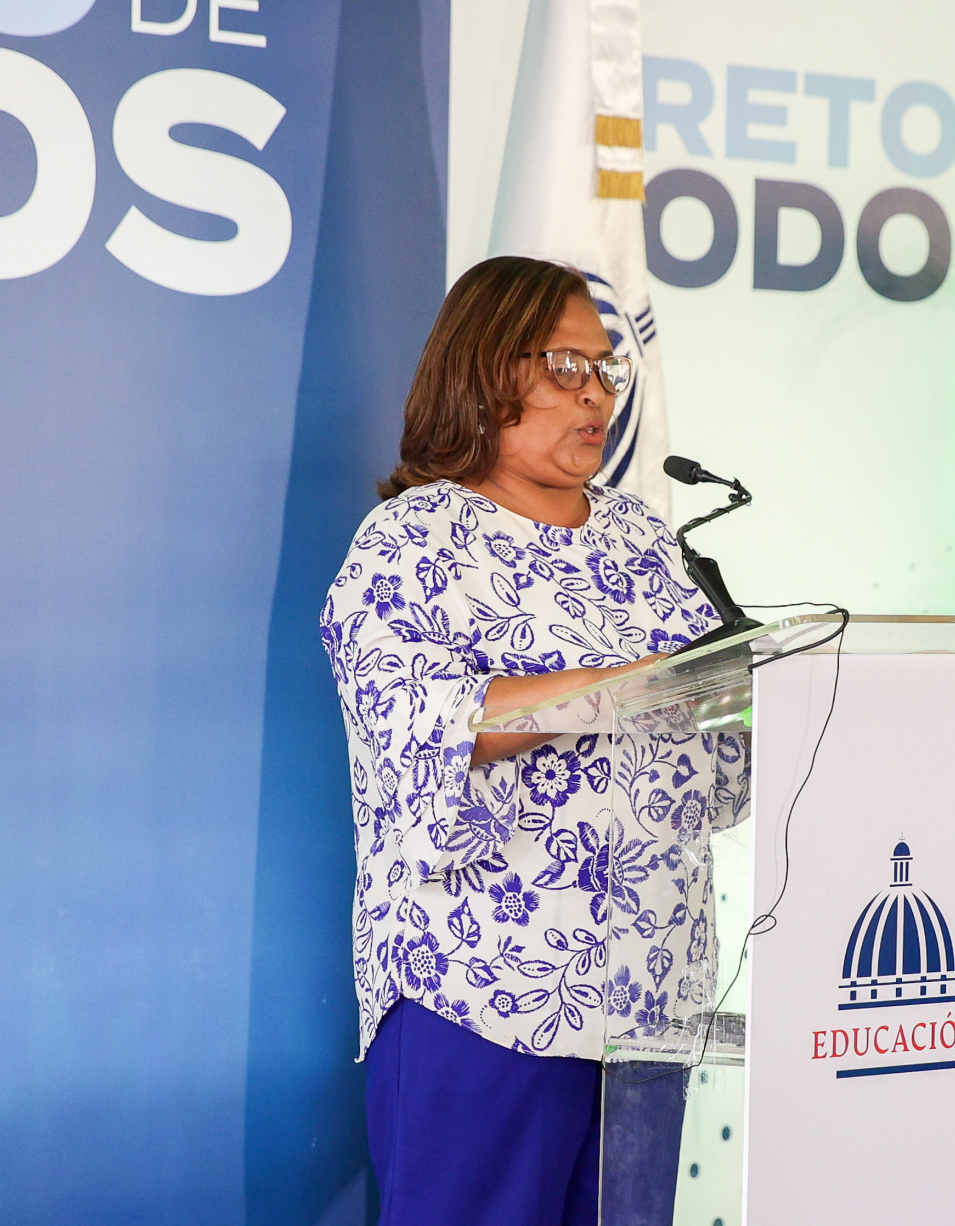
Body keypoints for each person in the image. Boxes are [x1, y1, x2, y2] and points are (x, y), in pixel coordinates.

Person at [321, 256, 749, 1226]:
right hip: (481, 995)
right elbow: (430, 719)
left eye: (606, 368)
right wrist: (626, 685)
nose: (596, 392)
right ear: (485, 368)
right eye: (566, 365)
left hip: (647, 1006)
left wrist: (773, 699)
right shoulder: (411, 542)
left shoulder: (642, 539)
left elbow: (707, 751)